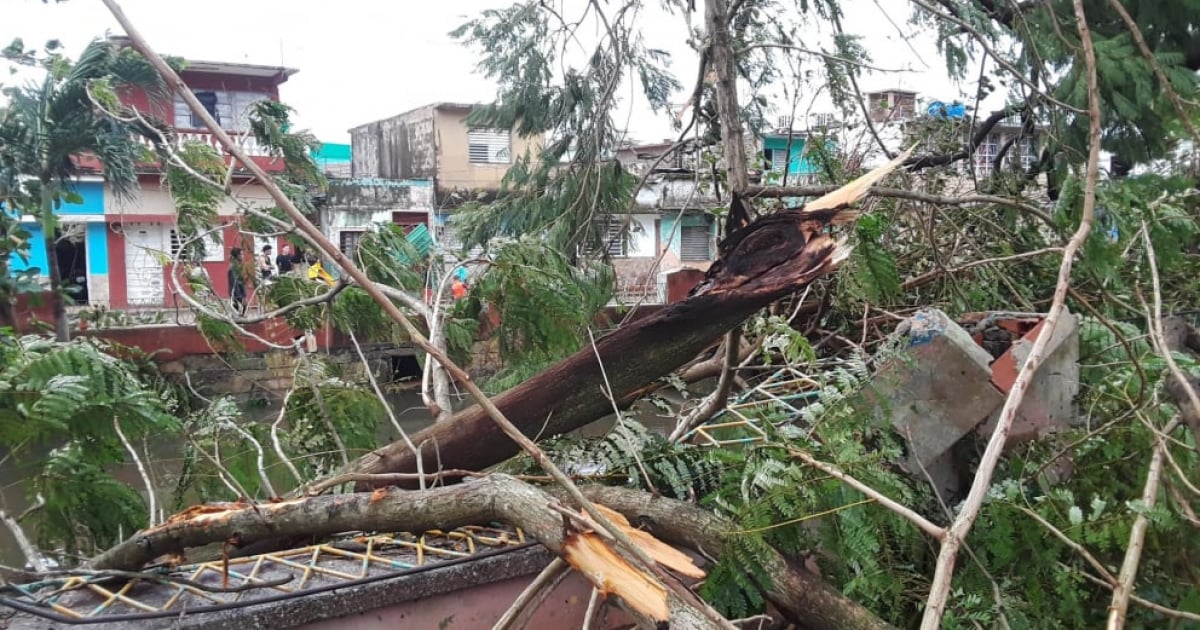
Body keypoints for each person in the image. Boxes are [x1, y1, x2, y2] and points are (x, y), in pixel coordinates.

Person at [227, 247, 247, 315]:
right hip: (236, 294)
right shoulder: (233, 267)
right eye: (241, 254)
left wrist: (244, 295)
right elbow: (234, 283)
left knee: (243, 308)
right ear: (237, 256)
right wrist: (239, 297)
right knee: (238, 311)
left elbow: (242, 282)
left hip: (240, 293)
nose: (243, 256)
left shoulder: (238, 266)